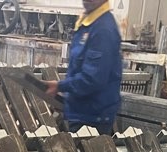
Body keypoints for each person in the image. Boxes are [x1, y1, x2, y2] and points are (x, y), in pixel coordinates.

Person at [45, 0, 123, 134]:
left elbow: (93, 79)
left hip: (92, 119)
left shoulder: (103, 29)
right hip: (81, 113)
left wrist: (60, 86)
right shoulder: (87, 24)